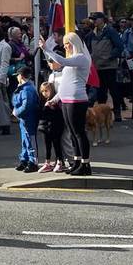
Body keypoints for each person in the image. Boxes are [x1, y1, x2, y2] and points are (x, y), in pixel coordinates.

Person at [41, 31, 93, 176]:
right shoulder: (73, 60)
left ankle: (85, 164)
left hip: (77, 100)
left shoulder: (81, 58)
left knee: (79, 132)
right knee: (72, 133)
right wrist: (55, 99)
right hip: (66, 100)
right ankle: (77, 162)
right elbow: (65, 84)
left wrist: (46, 49)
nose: (65, 48)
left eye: (66, 44)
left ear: (73, 44)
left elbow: (62, 61)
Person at [86, 14, 124, 122]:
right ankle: (101, 113)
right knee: (101, 92)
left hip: (109, 66)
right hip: (97, 67)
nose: (94, 21)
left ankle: (117, 112)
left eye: (95, 19)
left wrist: (110, 56)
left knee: (114, 90)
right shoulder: (91, 34)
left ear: (102, 20)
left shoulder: (111, 32)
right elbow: (88, 48)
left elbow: (119, 46)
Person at [10, 71, 40, 173]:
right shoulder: (23, 87)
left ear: (21, 76)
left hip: (28, 118)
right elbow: (15, 100)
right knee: (24, 140)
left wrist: (16, 112)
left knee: (30, 140)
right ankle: (25, 159)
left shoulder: (27, 89)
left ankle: (33, 162)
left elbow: (27, 106)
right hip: (24, 118)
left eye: (17, 75)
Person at [37, 81, 67, 172]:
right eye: (42, 91)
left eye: (46, 91)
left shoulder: (55, 101)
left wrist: (51, 107)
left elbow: (59, 115)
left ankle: (60, 162)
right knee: (47, 145)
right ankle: (47, 162)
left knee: (57, 145)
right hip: (45, 127)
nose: (44, 93)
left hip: (55, 127)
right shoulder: (42, 101)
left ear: (51, 91)